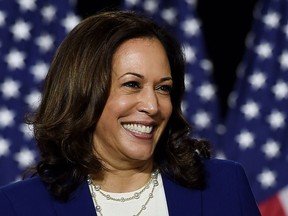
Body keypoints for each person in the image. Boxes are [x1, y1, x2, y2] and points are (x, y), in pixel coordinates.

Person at [0, 10, 261, 216]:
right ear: (84, 93)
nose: (152, 105)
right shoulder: (18, 206)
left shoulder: (225, 187)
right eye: (132, 84)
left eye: (163, 88)